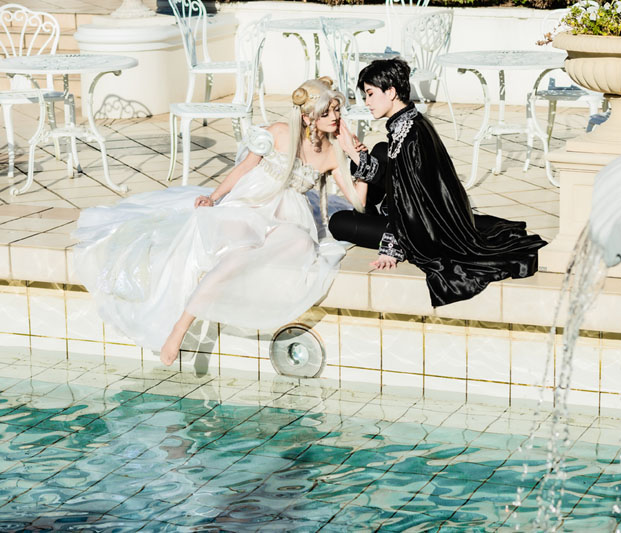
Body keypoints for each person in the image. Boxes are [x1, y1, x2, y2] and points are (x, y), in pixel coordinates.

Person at [74, 78, 367, 366]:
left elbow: (359, 202)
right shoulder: (279, 132)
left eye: (336, 110)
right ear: (306, 117)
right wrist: (213, 197)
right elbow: (244, 168)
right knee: (235, 258)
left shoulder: (332, 153)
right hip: (250, 204)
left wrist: (356, 156)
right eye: (326, 112)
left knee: (299, 246)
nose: (335, 117)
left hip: (289, 216)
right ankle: (180, 327)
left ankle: (230, 304)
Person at [330, 58, 548, 308]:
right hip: (416, 217)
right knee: (380, 149)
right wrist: (358, 156)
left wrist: (391, 247)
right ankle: (372, 210)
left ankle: (373, 216)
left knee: (339, 223)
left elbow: (408, 202)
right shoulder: (411, 122)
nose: (366, 102)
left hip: (420, 231)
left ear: (390, 92)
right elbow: (404, 184)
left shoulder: (410, 136)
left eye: (370, 94)